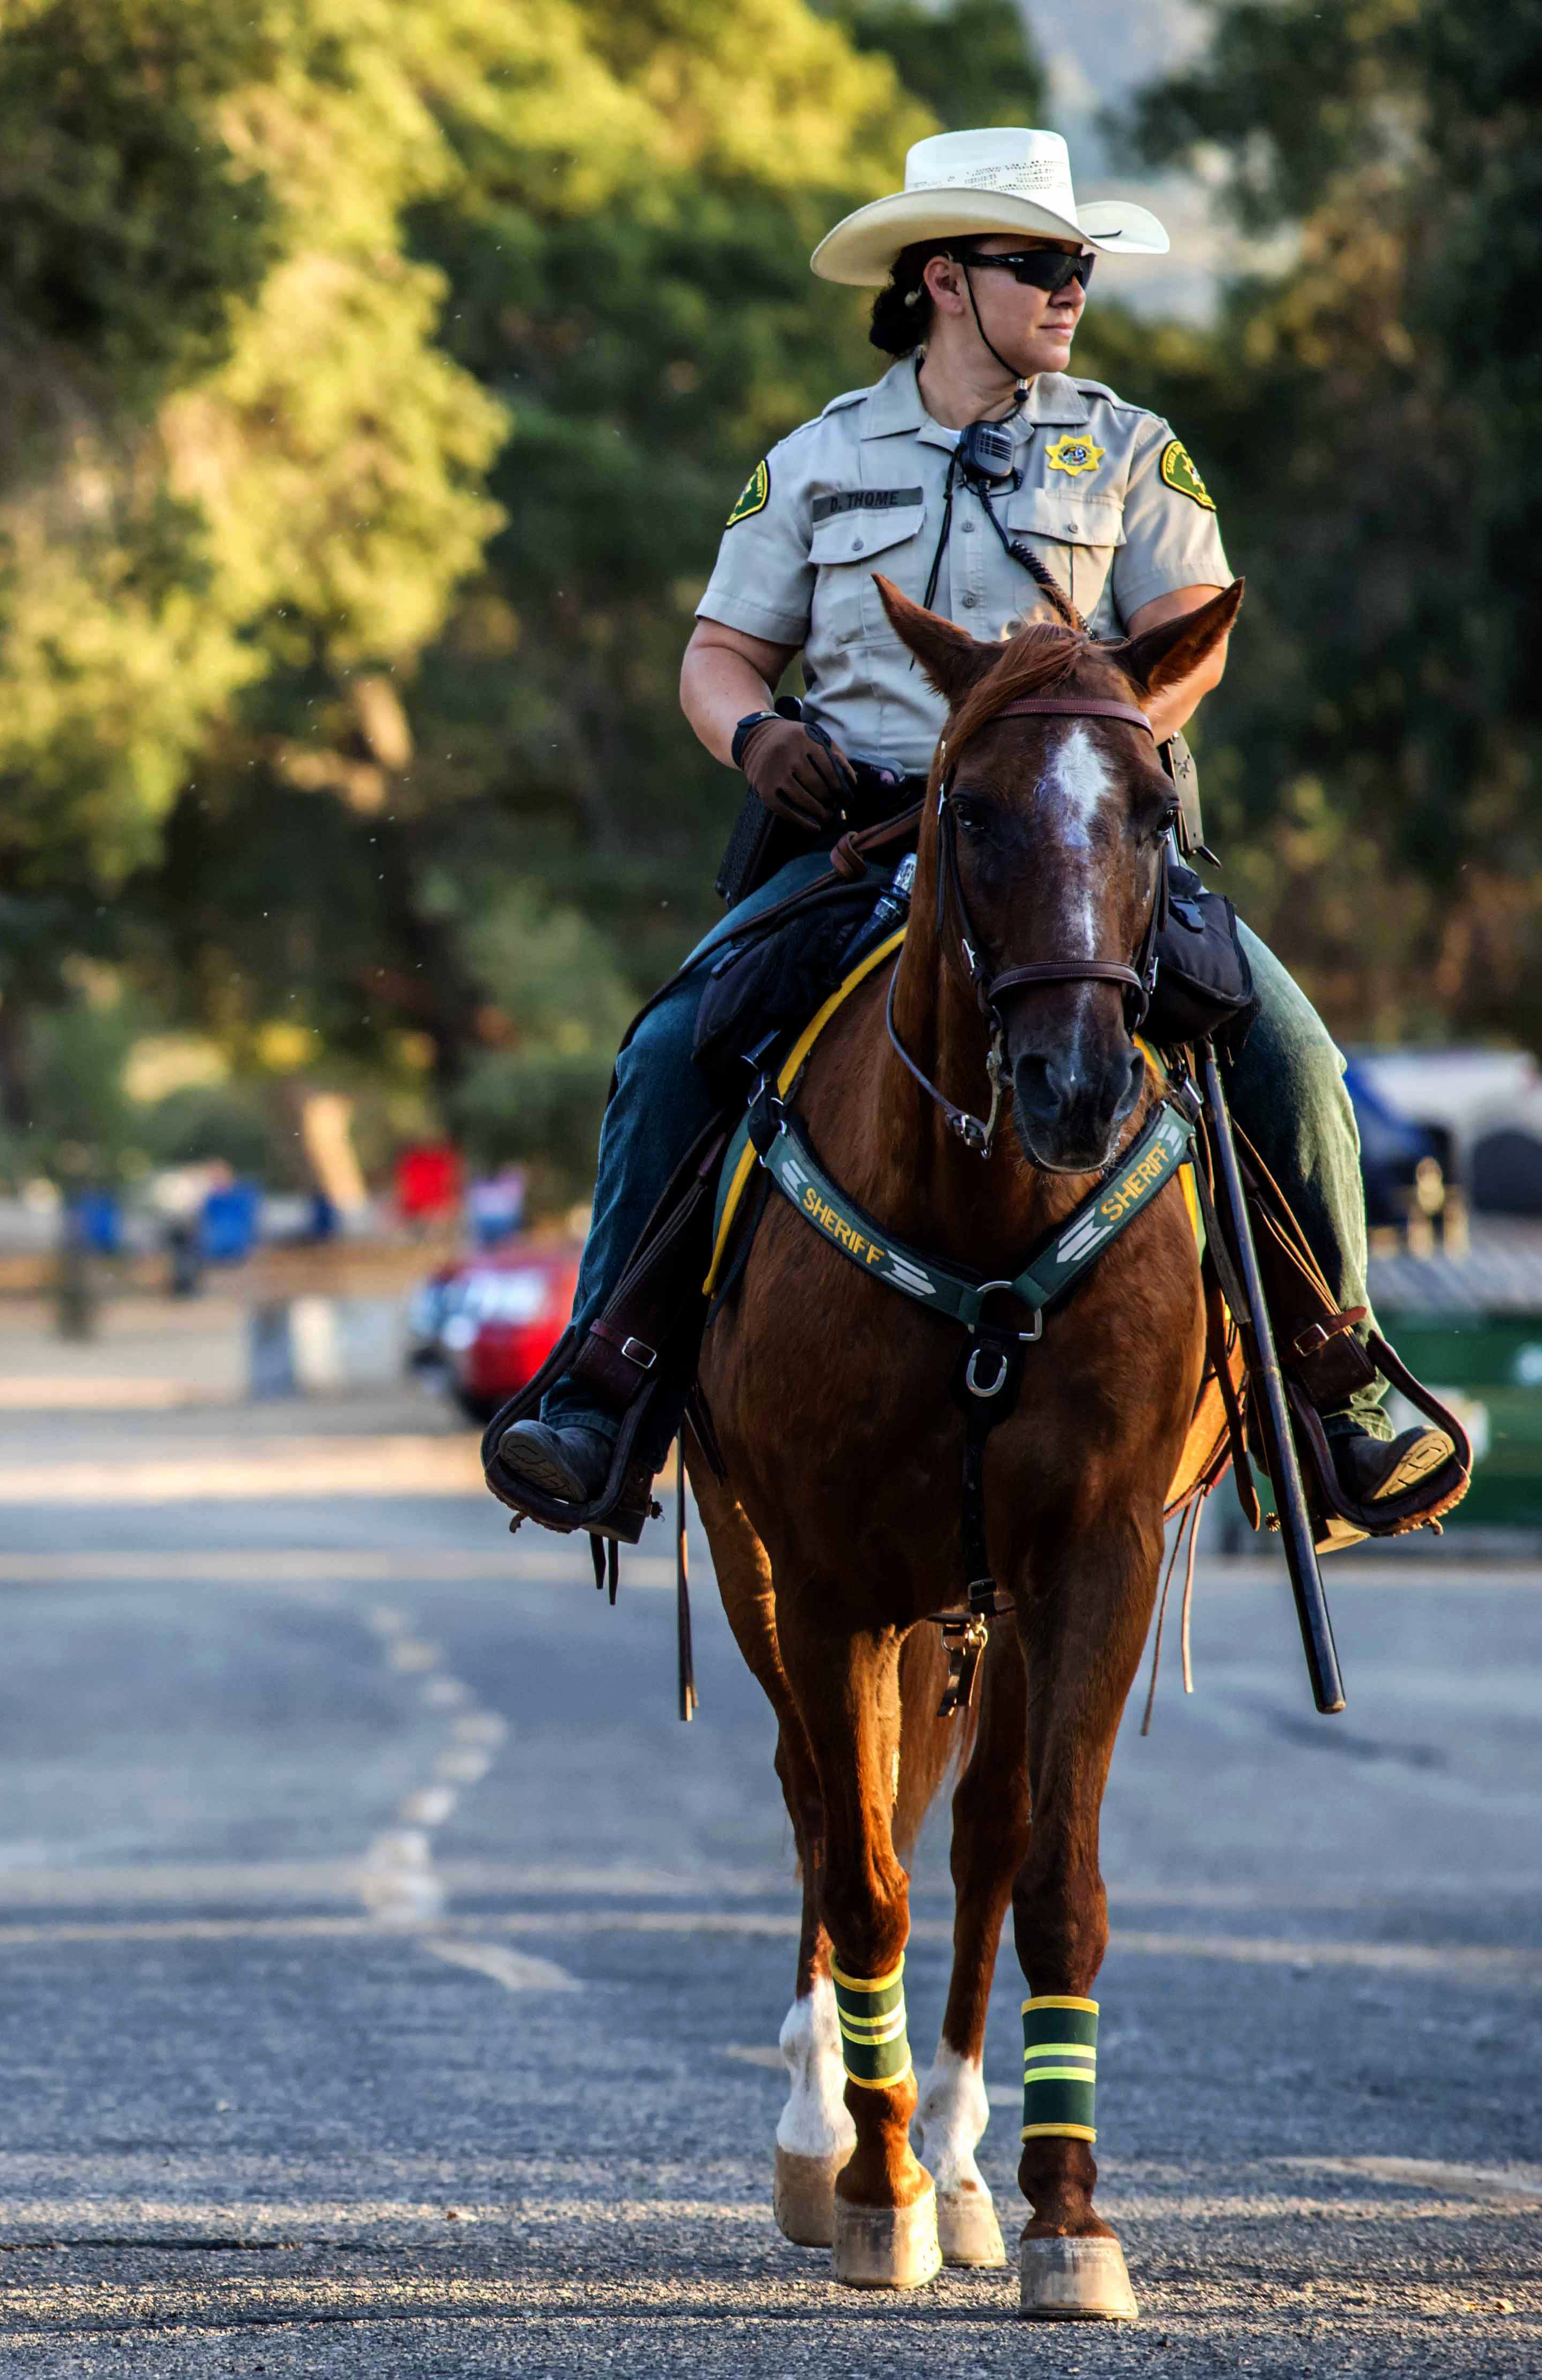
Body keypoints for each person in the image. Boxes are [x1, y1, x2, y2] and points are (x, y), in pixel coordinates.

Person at [494, 127, 1455, 1539]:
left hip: (1081, 838)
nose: (1072, 290)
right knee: (660, 1054)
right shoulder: (815, 460)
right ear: (943, 277)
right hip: (863, 837)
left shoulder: (1130, 448)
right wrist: (757, 738)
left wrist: (1102, 726)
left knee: (1297, 1059)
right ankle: (604, 1380)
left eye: (1079, 267)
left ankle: (1338, 1377)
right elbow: (718, 656)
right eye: (1041, 265)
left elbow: (1192, 646)